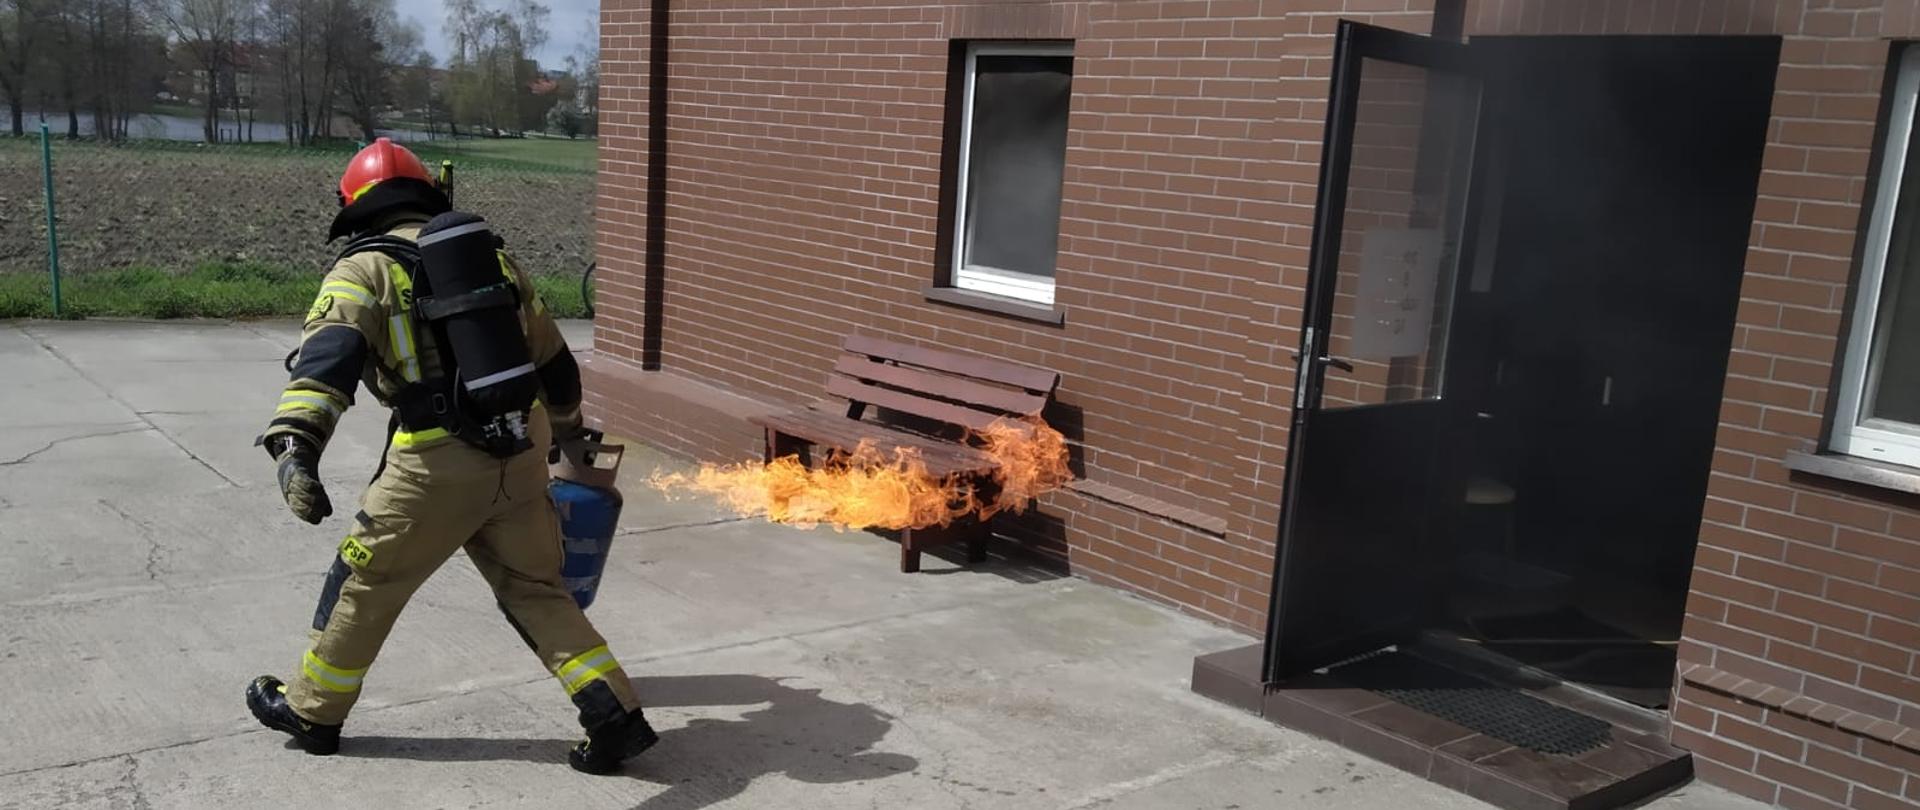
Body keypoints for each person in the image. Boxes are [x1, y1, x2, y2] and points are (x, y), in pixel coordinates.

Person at [244, 137, 656, 775]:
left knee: (366, 584)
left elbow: (328, 365)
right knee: (537, 589)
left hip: (433, 468)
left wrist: (296, 445)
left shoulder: (362, 270)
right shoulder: (495, 260)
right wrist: (567, 437)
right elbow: (556, 366)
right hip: (521, 450)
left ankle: (312, 713)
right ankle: (618, 715)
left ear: (357, 206)